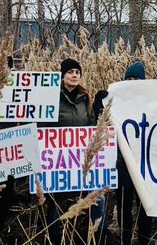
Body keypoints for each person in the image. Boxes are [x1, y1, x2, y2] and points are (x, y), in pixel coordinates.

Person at [44, 58, 99, 245]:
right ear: (62, 75)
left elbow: (91, 127)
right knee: (57, 206)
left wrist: (99, 109)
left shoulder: (85, 99)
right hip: (57, 162)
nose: (74, 75)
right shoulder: (50, 97)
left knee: (94, 200)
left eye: (77, 72)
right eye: (70, 72)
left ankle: (94, 237)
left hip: (81, 160)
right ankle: (55, 240)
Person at [116, 60, 154, 245]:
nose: (131, 82)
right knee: (124, 204)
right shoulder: (116, 102)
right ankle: (125, 239)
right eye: (128, 78)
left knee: (144, 204)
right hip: (123, 161)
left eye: (136, 78)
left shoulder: (152, 103)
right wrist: (101, 103)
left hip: (145, 161)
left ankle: (144, 240)